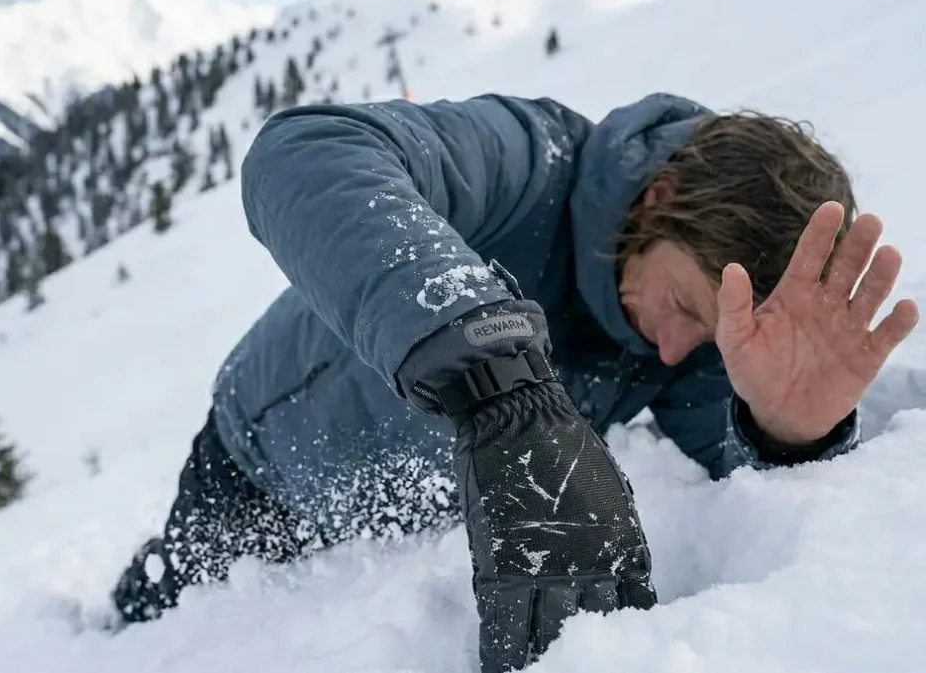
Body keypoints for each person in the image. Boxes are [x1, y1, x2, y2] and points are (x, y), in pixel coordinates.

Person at [110, 92, 917, 672]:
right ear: (659, 199)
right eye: (680, 304)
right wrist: (495, 373)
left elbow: (730, 464)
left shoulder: (682, 342)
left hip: (400, 524)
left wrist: (786, 428)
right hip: (264, 462)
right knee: (159, 622)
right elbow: (304, 152)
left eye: (702, 335)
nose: (674, 350)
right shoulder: (530, 159)